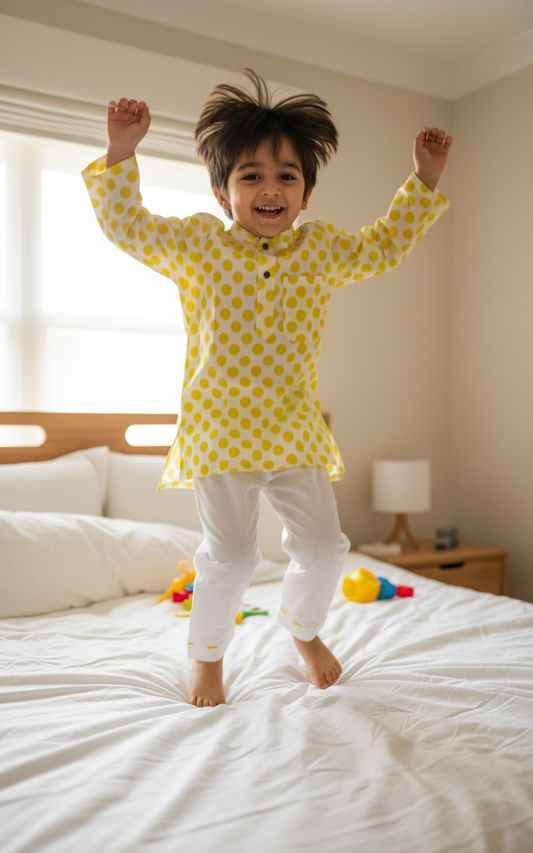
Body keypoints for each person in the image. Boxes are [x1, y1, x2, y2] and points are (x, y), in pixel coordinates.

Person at [82, 70, 452, 708]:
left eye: (287, 175)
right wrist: (122, 153)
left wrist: (424, 180)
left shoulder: (322, 250)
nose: (270, 188)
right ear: (224, 193)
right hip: (221, 436)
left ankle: (301, 628)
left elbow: (386, 245)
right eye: (250, 175)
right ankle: (207, 657)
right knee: (230, 558)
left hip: (294, 433)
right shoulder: (199, 246)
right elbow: (130, 228)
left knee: (325, 547)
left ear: (306, 192)